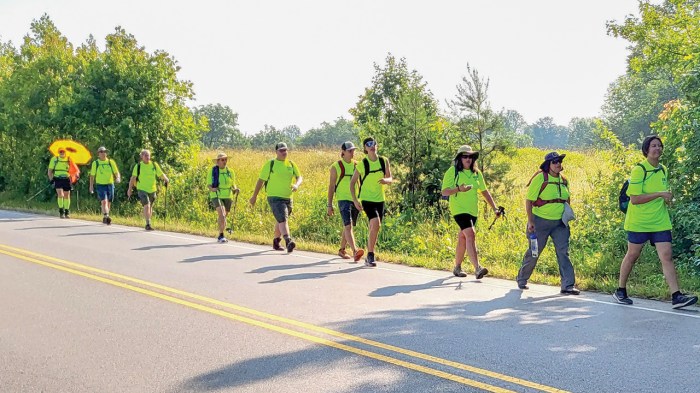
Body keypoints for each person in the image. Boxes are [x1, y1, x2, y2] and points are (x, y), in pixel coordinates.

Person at [613, 135, 697, 309]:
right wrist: (659, 194)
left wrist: (666, 198)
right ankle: (620, 290)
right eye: (653, 146)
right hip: (639, 222)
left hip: (659, 220)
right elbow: (634, 199)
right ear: (646, 150)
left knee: (667, 256)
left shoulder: (663, 169)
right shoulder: (639, 170)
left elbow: (660, 193)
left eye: (659, 146)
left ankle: (676, 296)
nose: (657, 148)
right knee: (632, 255)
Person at [516, 152, 579, 295]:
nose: (558, 164)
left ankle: (568, 285)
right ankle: (522, 278)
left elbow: (566, 199)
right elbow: (529, 200)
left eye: (559, 161)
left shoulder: (564, 180)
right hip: (540, 222)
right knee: (534, 251)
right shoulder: (540, 178)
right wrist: (530, 221)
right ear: (548, 165)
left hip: (560, 223)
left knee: (563, 252)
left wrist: (566, 216)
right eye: (554, 162)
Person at [441, 145, 500, 279]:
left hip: (473, 210)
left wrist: (495, 208)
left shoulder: (476, 173)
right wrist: (458, 189)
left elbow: (484, 192)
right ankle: (477, 268)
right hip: (459, 209)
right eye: (465, 156)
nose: (468, 159)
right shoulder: (453, 171)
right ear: (459, 158)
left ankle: (457, 267)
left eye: (471, 157)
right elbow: (444, 191)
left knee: (463, 237)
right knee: (471, 234)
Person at [249, 142, 303, 253]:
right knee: (283, 218)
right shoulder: (271, 164)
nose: (284, 152)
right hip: (274, 197)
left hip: (288, 197)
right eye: (281, 150)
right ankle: (288, 241)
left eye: (285, 150)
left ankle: (276, 241)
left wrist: (296, 184)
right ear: (276, 152)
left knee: (281, 220)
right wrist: (254, 196)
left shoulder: (291, 164)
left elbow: (299, 177)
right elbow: (261, 181)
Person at [350, 137, 392, 267]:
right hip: (367, 199)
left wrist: (386, 180)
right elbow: (352, 184)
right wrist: (355, 200)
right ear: (365, 149)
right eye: (368, 144)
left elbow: (390, 177)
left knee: (375, 227)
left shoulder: (383, 161)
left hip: (380, 199)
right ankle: (371, 255)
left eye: (373, 143)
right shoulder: (363, 164)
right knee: (376, 222)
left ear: (376, 145)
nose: (372, 146)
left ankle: (369, 255)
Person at [327, 141, 364, 262]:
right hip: (343, 199)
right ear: (343, 152)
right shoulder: (336, 166)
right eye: (350, 151)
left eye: (353, 150)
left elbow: (361, 183)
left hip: (355, 199)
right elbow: (331, 186)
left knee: (348, 225)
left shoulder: (357, 165)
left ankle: (342, 250)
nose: (352, 153)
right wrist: (330, 204)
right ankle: (355, 251)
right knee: (348, 226)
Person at [127, 149, 169, 231]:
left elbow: (160, 174)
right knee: (147, 205)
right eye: (145, 155)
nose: (147, 157)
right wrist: (130, 189)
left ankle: (148, 222)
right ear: (142, 157)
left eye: (148, 155)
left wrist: (166, 179)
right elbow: (133, 178)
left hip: (152, 189)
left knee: (150, 206)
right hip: (141, 188)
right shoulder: (138, 166)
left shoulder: (154, 165)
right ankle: (148, 223)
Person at [209, 152, 239, 243]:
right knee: (222, 214)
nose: (224, 161)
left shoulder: (230, 171)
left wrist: (235, 189)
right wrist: (212, 189)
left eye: (225, 159)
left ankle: (220, 232)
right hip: (216, 195)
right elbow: (209, 184)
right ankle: (221, 235)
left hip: (228, 195)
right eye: (222, 160)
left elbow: (233, 183)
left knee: (224, 216)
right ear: (217, 161)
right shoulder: (213, 171)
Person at [89, 146, 121, 225]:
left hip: (110, 184)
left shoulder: (110, 162)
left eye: (105, 152)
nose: (104, 153)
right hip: (100, 185)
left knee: (109, 201)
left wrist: (118, 178)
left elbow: (116, 172)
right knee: (104, 201)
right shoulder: (95, 163)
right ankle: (106, 215)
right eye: (102, 152)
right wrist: (91, 186)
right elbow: (92, 176)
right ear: (98, 154)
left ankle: (106, 216)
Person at [47, 148, 77, 219]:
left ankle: (67, 211)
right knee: (60, 194)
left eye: (63, 151)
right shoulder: (54, 159)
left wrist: (75, 178)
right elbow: (50, 171)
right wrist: (51, 180)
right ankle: (61, 211)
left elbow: (74, 170)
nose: (62, 153)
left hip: (67, 178)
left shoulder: (69, 159)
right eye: (60, 152)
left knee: (67, 195)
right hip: (57, 178)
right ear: (58, 152)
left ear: (65, 152)